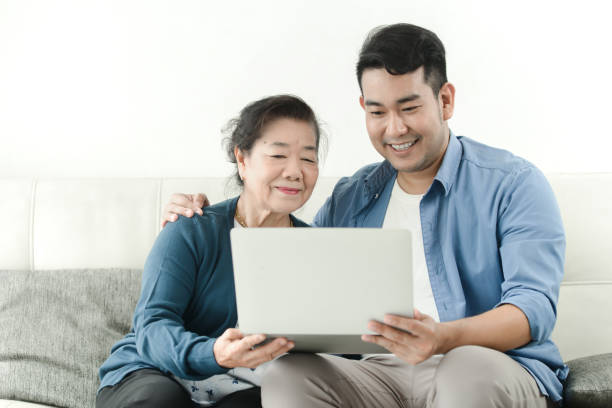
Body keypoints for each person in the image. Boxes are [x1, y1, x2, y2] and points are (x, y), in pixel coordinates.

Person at [164, 24, 567, 407]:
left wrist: (443, 338)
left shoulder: (513, 183)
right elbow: (291, 279)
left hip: (490, 367)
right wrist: (205, 219)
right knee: (289, 373)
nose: (394, 129)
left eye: (409, 107)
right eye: (377, 112)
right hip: (379, 375)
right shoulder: (353, 197)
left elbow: (533, 308)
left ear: (445, 100)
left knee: (465, 367)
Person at [96, 94, 323, 408]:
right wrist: (214, 352)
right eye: (278, 155)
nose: (296, 171)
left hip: (247, 389)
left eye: (309, 158)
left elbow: (339, 351)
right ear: (242, 160)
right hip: (155, 375)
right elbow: (153, 326)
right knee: (162, 401)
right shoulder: (190, 228)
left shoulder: (319, 250)